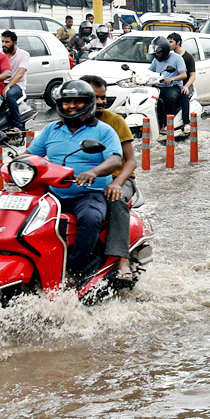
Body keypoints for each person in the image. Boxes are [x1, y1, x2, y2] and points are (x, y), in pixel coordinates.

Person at [27, 80, 122, 277]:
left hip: (88, 194)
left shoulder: (103, 130)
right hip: (53, 193)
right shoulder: (50, 129)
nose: (71, 106)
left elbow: (115, 159)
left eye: (77, 102)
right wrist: (11, 165)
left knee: (91, 218)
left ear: (88, 103)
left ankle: (75, 269)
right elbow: (30, 156)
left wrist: (94, 172)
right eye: (66, 102)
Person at [82, 75, 138, 284]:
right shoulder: (67, 123)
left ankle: (122, 259)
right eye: (94, 97)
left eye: (103, 97)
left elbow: (131, 161)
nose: (100, 102)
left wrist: (117, 182)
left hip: (119, 179)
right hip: (84, 181)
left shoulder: (115, 121)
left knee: (116, 198)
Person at [148, 38, 186, 132]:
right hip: (159, 86)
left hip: (172, 87)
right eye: (156, 53)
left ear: (164, 51)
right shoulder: (156, 60)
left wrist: (172, 79)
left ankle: (167, 124)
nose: (156, 55)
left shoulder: (177, 58)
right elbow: (149, 71)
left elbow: (183, 74)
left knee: (170, 98)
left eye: (158, 53)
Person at [1, 30, 29, 132]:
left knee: (9, 94)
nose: (4, 44)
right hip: (0, 83)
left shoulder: (24, 55)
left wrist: (8, 86)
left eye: (7, 42)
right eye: (3, 41)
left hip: (17, 84)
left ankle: (17, 125)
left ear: (15, 43)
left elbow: (20, 73)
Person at [168, 33, 196, 130]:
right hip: (172, 85)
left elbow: (193, 75)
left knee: (184, 95)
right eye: (168, 42)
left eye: (171, 42)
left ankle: (186, 123)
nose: (169, 44)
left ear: (178, 42)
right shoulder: (168, 56)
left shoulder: (187, 57)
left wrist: (187, 86)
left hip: (184, 84)